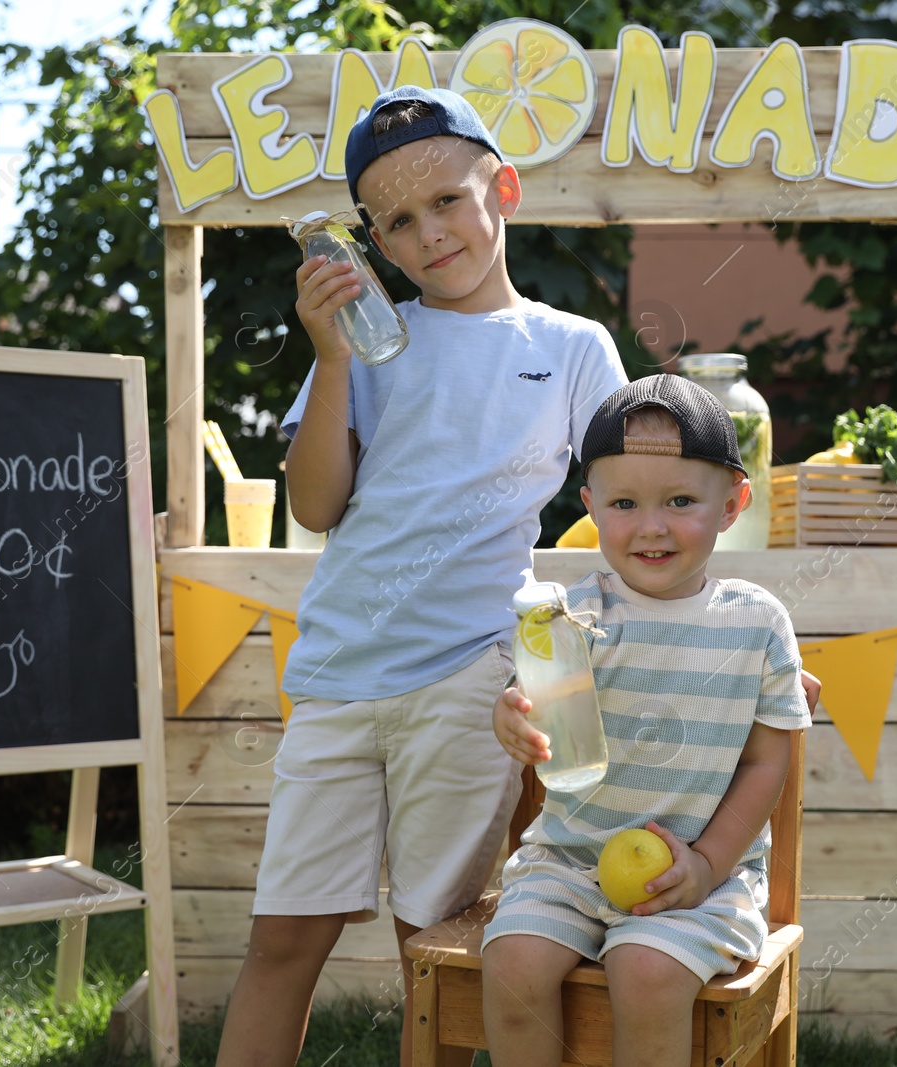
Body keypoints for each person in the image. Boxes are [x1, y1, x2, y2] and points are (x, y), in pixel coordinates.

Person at [212, 85, 628, 1067]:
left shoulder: (571, 347)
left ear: (504, 189)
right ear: (373, 244)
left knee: (433, 950)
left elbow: (628, 500)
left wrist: (645, 624)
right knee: (282, 937)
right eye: (398, 219)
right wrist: (325, 353)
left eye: (446, 199)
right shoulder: (362, 342)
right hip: (339, 676)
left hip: (470, 679)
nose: (430, 231)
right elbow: (315, 506)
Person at [484, 374, 815, 1067]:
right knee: (513, 964)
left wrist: (705, 863)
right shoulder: (574, 612)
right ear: (591, 507)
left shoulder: (755, 622)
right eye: (625, 502)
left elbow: (766, 763)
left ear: (733, 502)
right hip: (568, 860)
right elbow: (534, 702)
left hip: (703, 879)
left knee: (648, 971)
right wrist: (512, 718)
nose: (652, 524)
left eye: (682, 501)